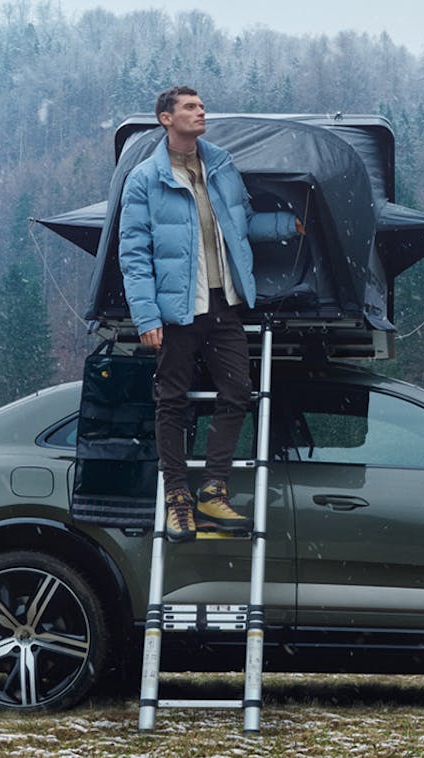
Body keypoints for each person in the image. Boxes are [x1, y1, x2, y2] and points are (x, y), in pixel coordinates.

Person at [117, 86, 270, 543]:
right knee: (172, 401)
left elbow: (242, 219)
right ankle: (177, 498)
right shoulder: (146, 178)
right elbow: (134, 253)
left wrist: (289, 225)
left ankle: (213, 489)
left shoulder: (220, 163)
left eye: (202, 106)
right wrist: (146, 317)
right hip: (176, 309)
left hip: (224, 300)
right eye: (190, 107)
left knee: (239, 390)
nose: (201, 112)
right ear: (166, 118)